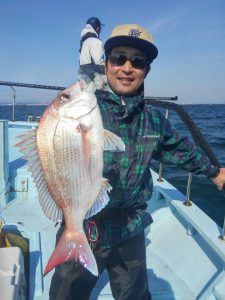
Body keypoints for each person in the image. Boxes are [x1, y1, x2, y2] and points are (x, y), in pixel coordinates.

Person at [50, 23, 225, 300]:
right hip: (85, 224)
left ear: (147, 70)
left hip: (130, 227)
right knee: (66, 294)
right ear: (106, 64)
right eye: (118, 58)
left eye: (138, 61)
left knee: (135, 294)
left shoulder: (154, 119)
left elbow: (181, 150)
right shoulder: (85, 107)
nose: (127, 68)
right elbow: (55, 148)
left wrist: (215, 173)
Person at [79, 17, 105, 82]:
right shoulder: (95, 41)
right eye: (100, 29)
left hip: (83, 77)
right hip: (94, 79)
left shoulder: (84, 42)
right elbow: (99, 63)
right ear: (97, 28)